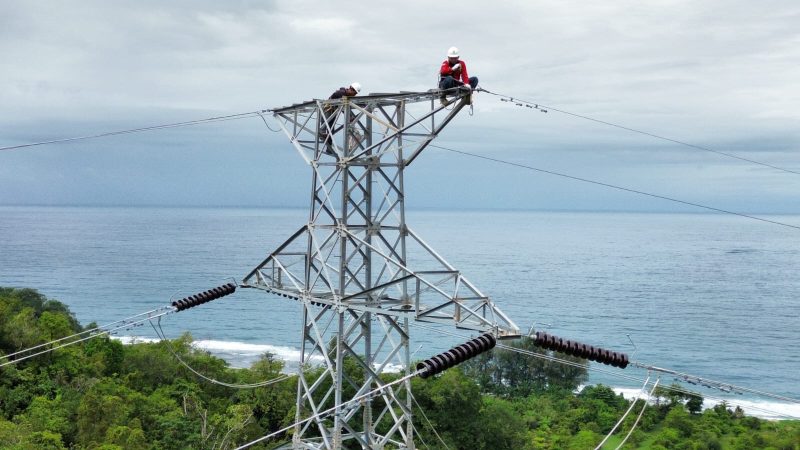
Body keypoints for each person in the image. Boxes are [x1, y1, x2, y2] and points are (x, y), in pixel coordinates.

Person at [320, 82, 362, 155]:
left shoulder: (345, 95)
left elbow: (344, 106)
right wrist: (349, 117)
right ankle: (322, 134)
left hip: (333, 111)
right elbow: (343, 106)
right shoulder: (341, 93)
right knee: (325, 129)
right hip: (327, 110)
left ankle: (328, 148)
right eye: (354, 93)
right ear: (351, 89)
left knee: (331, 131)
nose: (354, 95)